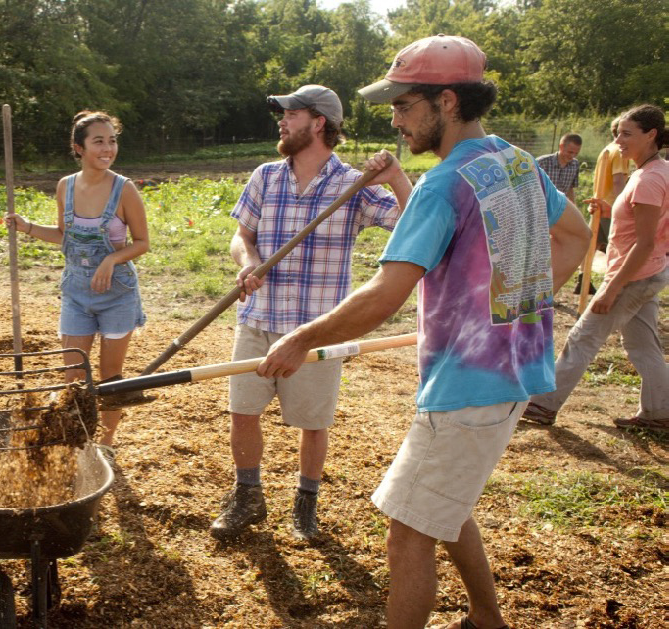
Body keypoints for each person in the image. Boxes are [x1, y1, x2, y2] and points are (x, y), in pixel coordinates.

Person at [258, 35, 590, 628]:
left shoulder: (442, 183)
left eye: (404, 105)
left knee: (408, 529)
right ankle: (487, 619)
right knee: (444, 504)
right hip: (514, 371)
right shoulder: (514, 161)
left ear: (447, 101)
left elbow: (386, 293)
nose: (396, 121)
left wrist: (302, 338)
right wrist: (515, 307)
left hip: (469, 385)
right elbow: (576, 236)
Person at [210, 85, 412, 542]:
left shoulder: (353, 185)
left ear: (319, 122)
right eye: (282, 114)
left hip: (316, 330)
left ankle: (306, 505)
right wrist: (247, 263)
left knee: (313, 422)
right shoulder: (266, 176)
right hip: (259, 318)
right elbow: (242, 235)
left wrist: (398, 178)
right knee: (242, 411)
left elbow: (412, 222)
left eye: (291, 114)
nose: (281, 121)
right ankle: (248, 497)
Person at [5, 111, 149, 467]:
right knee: (72, 375)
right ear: (78, 148)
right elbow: (64, 237)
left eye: (112, 140)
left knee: (110, 375)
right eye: (99, 141)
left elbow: (142, 243)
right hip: (76, 293)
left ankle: (107, 442)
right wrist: (26, 227)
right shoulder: (65, 186)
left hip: (116, 293)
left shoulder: (124, 189)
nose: (108, 148)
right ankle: (76, 439)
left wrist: (110, 260)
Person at [522, 104, 669, 431]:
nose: (619, 140)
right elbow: (652, 224)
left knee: (583, 338)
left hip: (633, 275)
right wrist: (608, 208)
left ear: (652, 135)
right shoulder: (658, 172)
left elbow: (643, 242)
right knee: (643, 344)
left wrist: (613, 287)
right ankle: (661, 412)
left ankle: (542, 406)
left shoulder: (648, 179)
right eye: (617, 133)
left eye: (627, 134)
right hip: (651, 271)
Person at [574, 119, 633, 295]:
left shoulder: (607, 149)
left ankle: (583, 278)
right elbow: (617, 181)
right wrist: (624, 205)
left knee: (592, 244)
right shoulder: (619, 152)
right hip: (610, 207)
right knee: (618, 248)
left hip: (598, 204)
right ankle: (615, 285)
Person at [536, 133, 582, 199]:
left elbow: (570, 189)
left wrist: (574, 206)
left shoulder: (575, 165)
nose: (572, 156)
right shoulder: (542, 163)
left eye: (576, 153)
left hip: (561, 206)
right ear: (561, 146)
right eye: (570, 152)